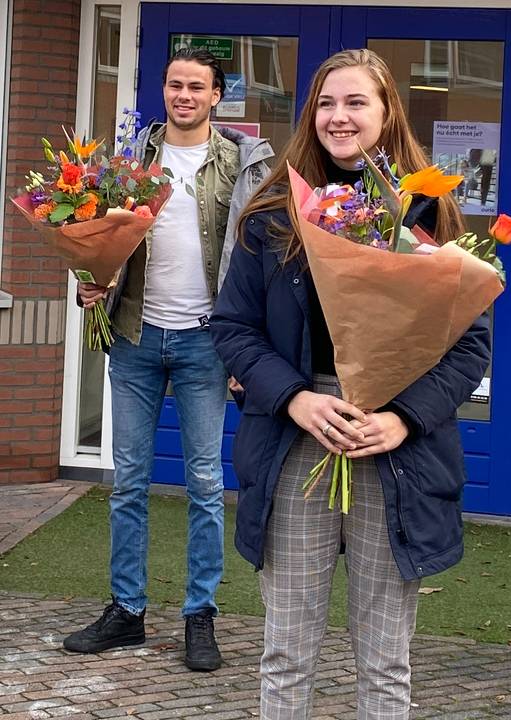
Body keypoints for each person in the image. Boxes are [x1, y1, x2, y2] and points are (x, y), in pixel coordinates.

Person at [209, 49, 489, 720]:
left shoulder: (428, 211)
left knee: (386, 661)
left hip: (393, 449)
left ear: (388, 113)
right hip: (296, 442)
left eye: (356, 102)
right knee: (286, 653)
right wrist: (296, 398)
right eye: (326, 103)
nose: (339, 116)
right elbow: (233, 327)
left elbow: (469, 343)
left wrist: (403, 418)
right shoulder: (274, 210)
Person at [65, 47, 273, 671]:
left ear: (216, 95)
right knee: (128, 482)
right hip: (135, 337)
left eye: (196, 87)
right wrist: (91, 280)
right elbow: (94, 239)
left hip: (206, 342)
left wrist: (250, 344)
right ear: (163, 90)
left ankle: (199, 614)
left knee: (205, 484)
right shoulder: (128, 161)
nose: (184, 95)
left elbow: (257, 256)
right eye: (175, 84)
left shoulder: (242, 163)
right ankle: (126, 611)